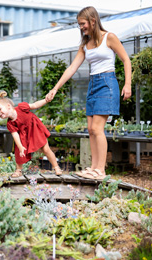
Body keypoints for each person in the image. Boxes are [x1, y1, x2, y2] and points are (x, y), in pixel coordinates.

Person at [45, 6, 132, 180]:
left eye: (82, 23)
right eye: (79, 24)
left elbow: (125, 59)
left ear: (93, 21)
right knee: (91, 129)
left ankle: (101, 170)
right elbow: (72, 68)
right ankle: (93, 168)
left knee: (98, 129)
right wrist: (55, 88)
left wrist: (127, 83)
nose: (81, 27)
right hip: (93, 85)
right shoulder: (85, 44)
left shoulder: (109, 37)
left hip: (107, 83)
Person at [0, 90, 62, 177]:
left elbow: (35, 105)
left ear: (8, 106)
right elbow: (15, 135)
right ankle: (18, 170)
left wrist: (45, 100)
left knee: (46, 149)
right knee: (18, 151)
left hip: (35, 129)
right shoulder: (10, 123)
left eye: (0, 109)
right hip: (24, 135)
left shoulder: (21, 107)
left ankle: (56, 167)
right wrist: (20, 147)